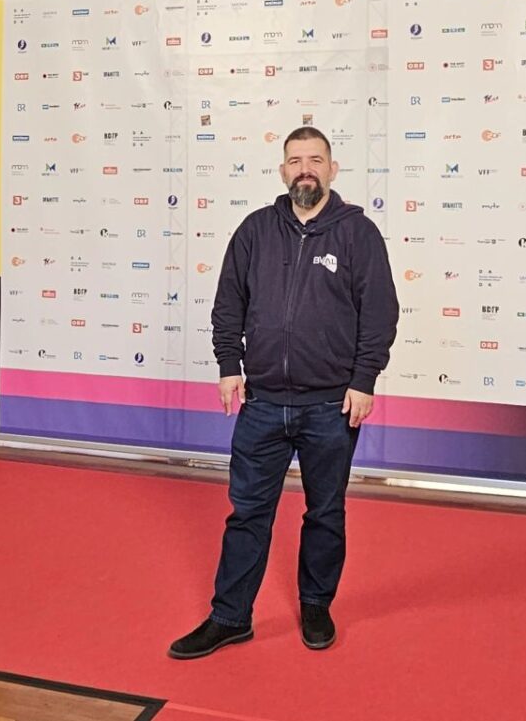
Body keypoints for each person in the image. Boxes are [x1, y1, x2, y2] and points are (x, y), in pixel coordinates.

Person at [168, 126, 399, 658]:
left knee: (325, 513)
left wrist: (364, 379)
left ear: (332, 169)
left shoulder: (358, 234)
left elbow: (379, 313)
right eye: (295, 160)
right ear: (282, 171)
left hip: (331, 405)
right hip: (264, 403)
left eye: (315, 159)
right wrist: (229, 366)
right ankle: (230, 617)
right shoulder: (255, 230)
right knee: (247, 513)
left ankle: (316, 605)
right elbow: (229, 302)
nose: (305, 169)